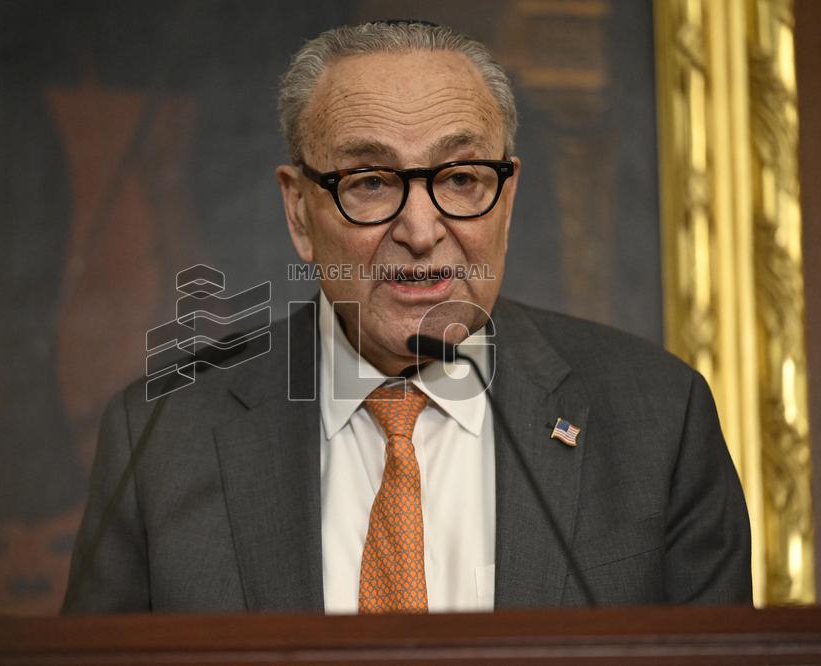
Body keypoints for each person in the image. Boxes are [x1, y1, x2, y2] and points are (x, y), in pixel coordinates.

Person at [63, 20, 751, 614]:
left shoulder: (660, 418)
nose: (421, 229)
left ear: (506, 199)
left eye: (459, 178)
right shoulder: (162, 434)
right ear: (300, 211)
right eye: (370, 183)